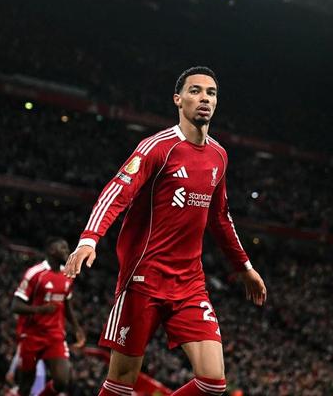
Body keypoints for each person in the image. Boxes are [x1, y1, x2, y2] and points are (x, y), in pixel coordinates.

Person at [64, 66, 267, 396]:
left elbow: (220, 217)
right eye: (195, 91)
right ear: (178, 99)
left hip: (189, 283)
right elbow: (117, 191)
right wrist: (89, 239)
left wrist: (244, 267)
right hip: (144, 279)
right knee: (121, 382)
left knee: (213, 382)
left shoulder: (219, 155)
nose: (204, 98)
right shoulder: (157, 147)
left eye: (211, 93)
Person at [12, 237, 86, 396]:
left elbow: (67, 304)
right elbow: (15, 306)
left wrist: (77, 328)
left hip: (55, 336)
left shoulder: (68, 275)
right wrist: (40, 309)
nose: (67, 251)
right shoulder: (35, 274)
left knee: (62, 381)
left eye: (67, 248)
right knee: (25, 387)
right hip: (31, 335)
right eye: (63, 248)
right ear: (52, 250)